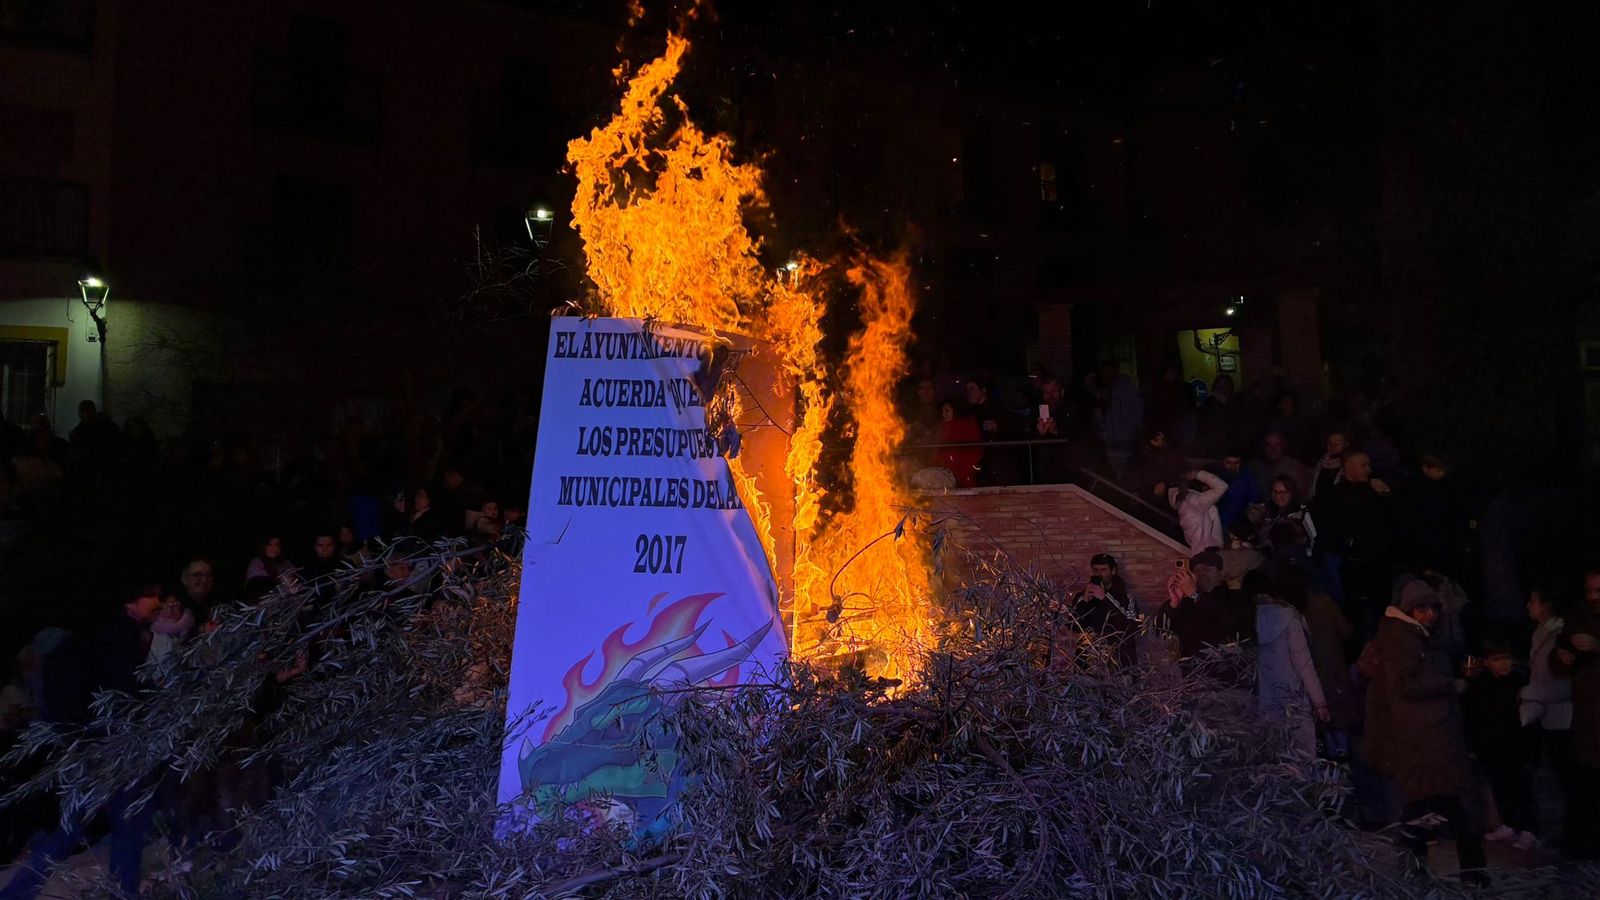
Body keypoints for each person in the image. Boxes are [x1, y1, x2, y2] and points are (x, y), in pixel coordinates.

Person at [0, 587, 163, 900]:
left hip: (84, 747)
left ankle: (16, 894)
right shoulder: (116, 637)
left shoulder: (81, 641)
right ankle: (122, 892)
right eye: (151, 595)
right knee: (127, 825)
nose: (157, 602)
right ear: (131, 603)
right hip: (111, 747)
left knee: (72, 828)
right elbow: (123, 693)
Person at [1362, 578, 1487, 883]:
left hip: (1428, 737)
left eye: (1433, 607)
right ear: (1409, 610)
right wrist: (1448, 685)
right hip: (1426, 739)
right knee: (1444, 806)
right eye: (1422, 608)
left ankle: (1421, 875)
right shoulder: (1403, 638)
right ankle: (1465, 875)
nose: (1429, 613)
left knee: (1435, 806)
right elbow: (1402, 686)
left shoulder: (1415, 636)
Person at [1312, 452, 1395, 641]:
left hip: (1377, 565)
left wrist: (1386, 496)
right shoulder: (1334, 496)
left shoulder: (1375, 492)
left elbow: (1389, 523)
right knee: (1355, 618)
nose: (1369, 469)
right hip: (1351, 565)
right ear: (1348, 467)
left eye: (1369, 464)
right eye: (1363, 465)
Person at [1463, 641, 1537, 848]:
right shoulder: (1481, 686)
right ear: (1487, 663)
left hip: (1516, 743)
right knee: (1500, 784)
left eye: (1506, 659)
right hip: (1492, 743)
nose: (1504, 663)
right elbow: (1475, 717)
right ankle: (1509, 823)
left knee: (1520, 786)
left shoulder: (1519, 683)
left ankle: (1529, 828)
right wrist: (1475, 745)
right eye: (1497, 659)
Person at [1251, 567, 1327, 759]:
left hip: (1263, 698)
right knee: (1302, 755)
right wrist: (1320, 702)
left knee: (1274, 758)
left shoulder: (1245, 620)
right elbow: (1304, 664)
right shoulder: (1289, 616)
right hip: (1291, 695)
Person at [1550, 569, 1600, 859]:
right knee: (1584, 784)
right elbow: (1560, 655)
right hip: (1586, 718)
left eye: (1598, 590)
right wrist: (1561, 656)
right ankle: (1582, 843)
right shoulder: (1579, 618)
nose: (1593, 596)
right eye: (1589, 590)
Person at [1520, 588, 1572, 837]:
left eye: (1533, 601)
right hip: (1547, 715)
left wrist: (1527, 693)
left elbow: (1560, 684)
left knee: (1568, 777)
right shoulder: (1540, 633)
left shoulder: (1558, 634)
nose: (1528, 605)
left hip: (1562, 716)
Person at [1162, 550, 1255, 664]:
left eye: (1207, 569)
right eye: (1197, 570)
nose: (1202, 573)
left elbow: (1230, 620)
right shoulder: (1186, 604)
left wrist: (1194, 594)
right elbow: (1161, 633)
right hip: (1193, 675)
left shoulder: (1237, 597)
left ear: (1220, 573)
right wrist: (1174, 603)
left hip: (1228, 668)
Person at [1070, 553, 1140, 668]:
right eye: (1096, 570)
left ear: (1112, 571)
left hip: (1119, 664)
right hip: (1088, 664)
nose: (1099, 574)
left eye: (1103, 570)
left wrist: (1105, 598)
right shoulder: (1083, 596)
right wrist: (1084, 603)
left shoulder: (1125, 598)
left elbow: (1131, 627)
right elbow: (1073, 626)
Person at [1093, 363, 1143, 478]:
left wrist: (1124, 431)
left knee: (1122, 474)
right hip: (1114, 440)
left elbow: (1137, 409)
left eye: (1108, 372)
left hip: (1122, 441)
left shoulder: (1124, 388)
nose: (1106, 376)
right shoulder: (1112, 389)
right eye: (1104, 373)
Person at [1168, 469, 1228, 555]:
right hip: (1209, 549)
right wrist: (1197, 474)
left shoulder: (1182, 506)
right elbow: (1222, 486)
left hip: (1201, 551)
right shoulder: (1196, 501)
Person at [1257, 477, 1315, 558]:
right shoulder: (1266, 510)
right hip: (1266, 557)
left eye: (1283, 492)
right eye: (1275, 492)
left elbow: (1315, 540)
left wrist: (1304, 555)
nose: (1278, 496)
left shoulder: (1303, 512)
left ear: (1292, 493)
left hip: (1294, 560)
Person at [1248, 431, 1311, 501]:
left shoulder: (1293, 467)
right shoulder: (1255, 466)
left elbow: (1300, 497)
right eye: (1268, 445)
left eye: (1277, 445)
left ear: (1284, 446)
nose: (1272, 449)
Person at [1212, 450, 1263, 535]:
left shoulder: (1247, 478)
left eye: (1237, 463)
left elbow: (1254, 500)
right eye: (1229, 462)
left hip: (1241, 524)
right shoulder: (1215, 478)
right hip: (1218, 523)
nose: (1233, 466)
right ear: (1222, 462)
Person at [1310, 431, 1349, 499]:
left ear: (1346, 444)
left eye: (1337, 444)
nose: (1332, 447)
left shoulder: (1348, 466)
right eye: (1329, 443)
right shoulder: (1320, 464)